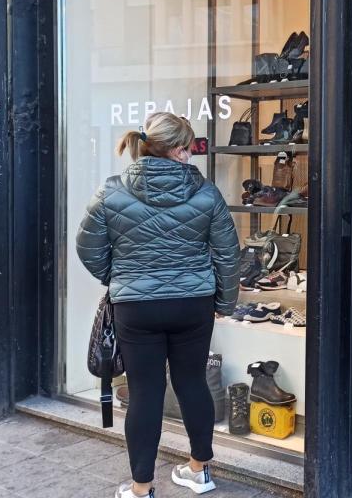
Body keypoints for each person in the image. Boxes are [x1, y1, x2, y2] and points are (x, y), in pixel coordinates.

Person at [76, 112, 240, 497]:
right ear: (180, 150)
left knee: (144, 393)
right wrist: (226, 302)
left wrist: (118, 278)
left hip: (137, 308)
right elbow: (228, 254)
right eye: (190, 146)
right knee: (192, 383)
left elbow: (87, 247)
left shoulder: (112, 190)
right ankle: (199, 472)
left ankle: (141, 488)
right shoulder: (206, 193)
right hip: (193, 304)